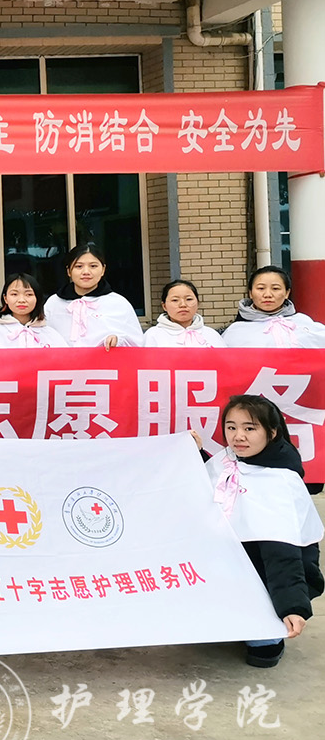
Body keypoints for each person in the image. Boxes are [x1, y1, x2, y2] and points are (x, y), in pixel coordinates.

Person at [191, 395, 323, 668]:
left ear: (271, 432)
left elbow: (282, 554)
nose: (238, 436)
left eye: (249, 428)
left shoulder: (278, 482)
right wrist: (196, 454)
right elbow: (208, 482)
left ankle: (267, 632)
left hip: (267, 574)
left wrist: (292, 607)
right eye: (231, 427)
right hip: (232, 567)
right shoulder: (230, 459)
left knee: (262, 648)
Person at [43, 242, 144, 349]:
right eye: (79, 266)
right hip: (63, 360)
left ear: (103, 270)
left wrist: (118, 340)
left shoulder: (118, 303)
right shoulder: (54, 303)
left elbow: (137, 343)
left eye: (93, 266)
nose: (86, 272)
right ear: (69, 271)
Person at [222, 266, 325, 348]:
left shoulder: (303, 323)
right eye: (261, 288)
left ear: (287, 293)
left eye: (275, 288)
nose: (268, 295)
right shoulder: (235, 331)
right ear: (251, 293)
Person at [0, 273, 68, 348]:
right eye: (14, 294)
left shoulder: (51, 335)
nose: (21, 300)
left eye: (28, 294)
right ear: (5, 298)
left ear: (37, 298)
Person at [143, 280, 226, 348]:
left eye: (189, 299)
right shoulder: (153, 335)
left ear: (198, 303)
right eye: (175, 300)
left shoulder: (211, 334)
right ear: (164, 306)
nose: (183, 305)